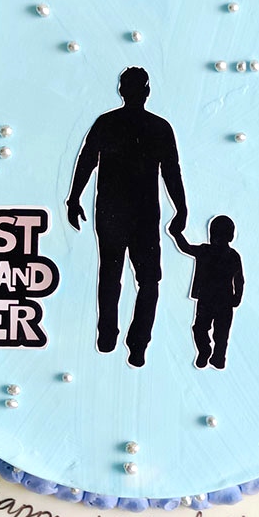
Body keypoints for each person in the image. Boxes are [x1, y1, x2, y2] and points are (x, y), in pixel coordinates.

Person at [66, 67, 187, 368]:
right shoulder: (159, 127)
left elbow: (87, 160)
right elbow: (172, 172)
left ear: (122, 90)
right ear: (147, 91)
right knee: (148, 280)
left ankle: (109, 336)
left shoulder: (107, 122)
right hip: (142, 214)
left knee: (112, 274)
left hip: (112, 211)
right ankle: (136, 343)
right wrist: (181, 208)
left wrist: (75, 198)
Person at [168, 215, 244, 370]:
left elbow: (239, 279)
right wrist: (237, 297)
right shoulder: (213, 252)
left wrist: (176, 234)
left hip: (216, 300)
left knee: (216, 332)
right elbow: (240, 280)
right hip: (212, 300)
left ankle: (215, 356)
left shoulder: (222, 254)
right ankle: (209, 354)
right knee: (207, 330)